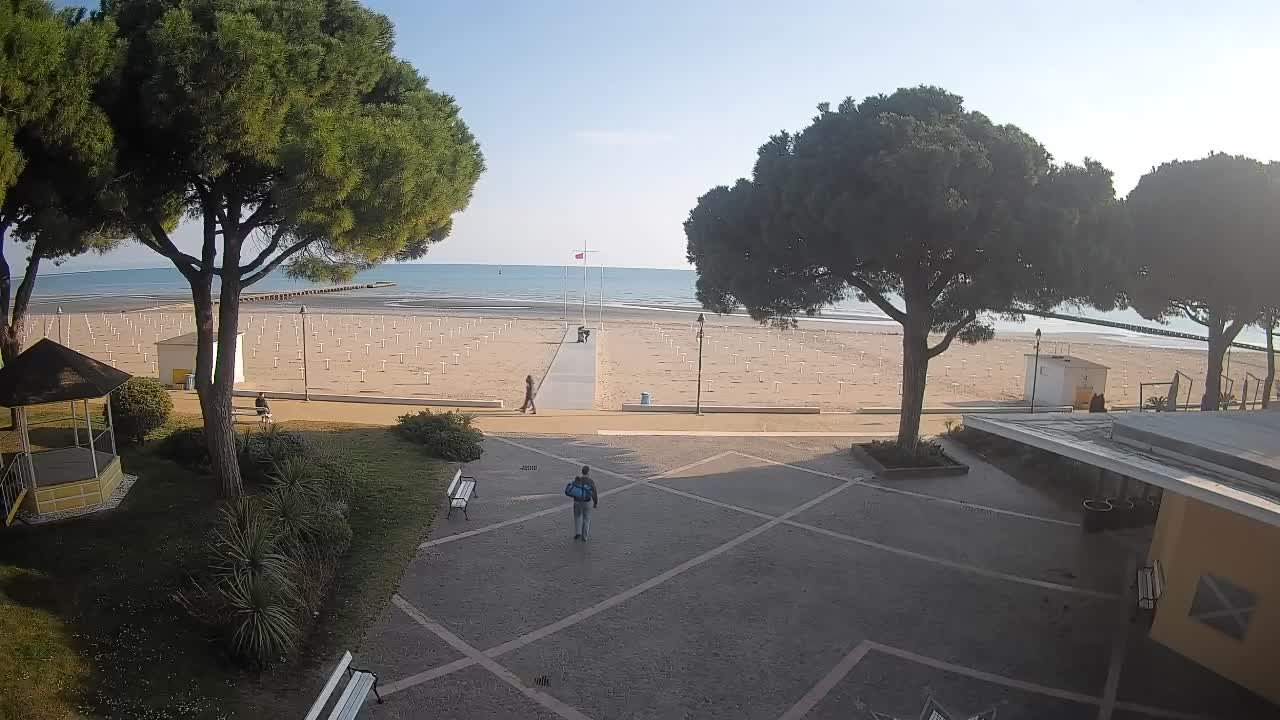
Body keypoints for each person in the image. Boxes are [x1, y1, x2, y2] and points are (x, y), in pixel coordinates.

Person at [567, 466, 598, 541]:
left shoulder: (578, 479)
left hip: (577, 502)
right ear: (588, 472)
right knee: (586, 519)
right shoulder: (590, 481)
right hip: (587, 502)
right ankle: (584, 537)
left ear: (582, 472)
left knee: (577, 517)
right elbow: (594, 493)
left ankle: (578, 533)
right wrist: (595, 503)